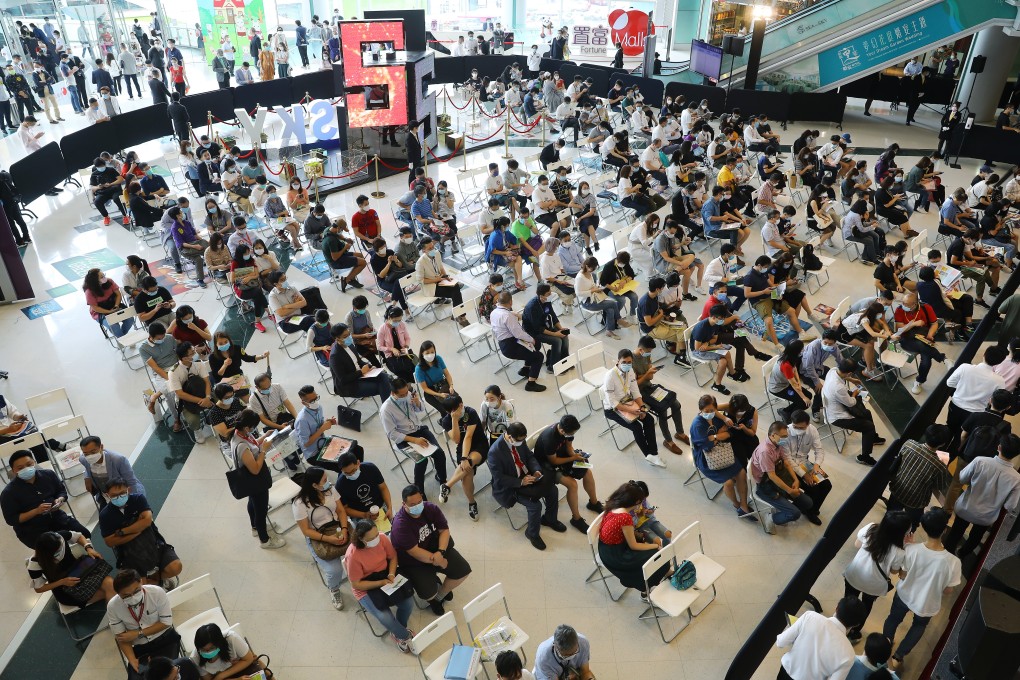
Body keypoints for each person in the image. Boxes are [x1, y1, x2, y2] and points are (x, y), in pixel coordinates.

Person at [881, 508, 960, 667]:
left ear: (924, 527)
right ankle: (898, 657)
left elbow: (902, 575)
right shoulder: (953, 562)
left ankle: (885, 645)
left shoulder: (911, 549)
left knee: (893, 618)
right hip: (927, 603)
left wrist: (909, 547)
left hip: (904, 595)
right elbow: (948, 590)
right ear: (945, 530)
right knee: (918, 626)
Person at [390, 484, 472, 615]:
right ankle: (433, 598)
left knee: (463, 571)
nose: (417, 506)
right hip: (414, 562)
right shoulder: (400, 525)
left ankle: (440, 596)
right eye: (412, 505)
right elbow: (414, 552)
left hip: (436, 549)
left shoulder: (430, 508)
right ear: (404, 504)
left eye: (419, 502)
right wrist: (439, 561)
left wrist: (441, 552)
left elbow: (444, 530)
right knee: (427, 593)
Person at [488, 422, 563, 551]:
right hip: (512, 486)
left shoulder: (518, 440)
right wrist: (521, 482)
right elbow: (499, 478)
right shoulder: (495, 452)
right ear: (510, 437)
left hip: (527, 475)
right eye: (519, 440)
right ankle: (532, 534)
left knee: (553, 490)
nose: (522, 442)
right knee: (535, 506)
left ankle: (550, 519)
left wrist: (536, 469)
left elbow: (529, 456)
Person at [943, 434, 1020, 556]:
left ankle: (947, 553)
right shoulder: (1017, 478)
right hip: (986, 517)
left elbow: (962, 478)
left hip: (966, 508)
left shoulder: (980, 461)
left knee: (955, 532)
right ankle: (962, 554)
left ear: (999, 447)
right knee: (975, 538)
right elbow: (1010, 506)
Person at [345, 519, 414, 651]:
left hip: (385, 575)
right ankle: (403, 635)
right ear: (361, 539)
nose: (376, 539)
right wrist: (381, 583)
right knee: (385, 617)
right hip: (365, 586)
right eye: (371, 538)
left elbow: (393, 557)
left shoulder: (382, 538)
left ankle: (399, 628)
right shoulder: (353, 555)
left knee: (408, 603)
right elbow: (356, 584)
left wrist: (391, 574)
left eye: (377, 534)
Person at [99, 481, 182, 589]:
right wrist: (137, 530)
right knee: (140, 587)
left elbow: (147, 521)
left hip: (154, 545)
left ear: (128, 490)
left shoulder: (138, 499)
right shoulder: (105, 515)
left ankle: (155, 579)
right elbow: (110, 542)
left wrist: (122, 532)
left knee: (176, 567)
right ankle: (151, 583)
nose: (119, 497)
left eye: (122, 493)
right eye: (114, 495)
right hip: (129, 556)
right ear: (107, 495)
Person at [597, 480, 670, 599]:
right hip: (616, 556)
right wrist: (656, 546)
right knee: (656, 555)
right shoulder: (625, 517)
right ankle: (646, 590)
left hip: (605, 547)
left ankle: (662, 575)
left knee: (652, 552)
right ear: (637, 502)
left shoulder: (614, 504)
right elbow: (634, 546)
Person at [690, 394, 757, 521]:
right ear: (700, 410)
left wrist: (715, 437)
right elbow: (706, 446)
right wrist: (719, 436)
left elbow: (729, 433)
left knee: (742, 473)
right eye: (706, 411)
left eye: (712, 410)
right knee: (729, 482)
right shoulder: (697, 425)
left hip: (723, 452)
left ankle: (743, 506)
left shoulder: (717, 418)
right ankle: (736, 504)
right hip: (705, 459)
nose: (709, 413)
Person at [292, 466, 350, 610]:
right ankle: (334, 589)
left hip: (337, 526)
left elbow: (341, 511)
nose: (328, 482)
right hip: (318, 535)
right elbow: (306, 531)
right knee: (334, 570)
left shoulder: (330, 490)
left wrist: (344, 529)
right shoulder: (299, 504)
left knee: (363, 549)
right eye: (324, 480)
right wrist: (328, 539)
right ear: (314, 485)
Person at [532, 416, 603, 533]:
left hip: (562, 456)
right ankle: (576, 519)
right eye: (571, 434)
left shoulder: (567, 430)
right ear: (562, 431)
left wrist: (576, 456)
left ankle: (593, 503)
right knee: (572, 484)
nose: (572, 435)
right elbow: (554, 461)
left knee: (587, 472)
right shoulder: (550, 439)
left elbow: (569, 446)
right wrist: (572, 458)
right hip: (546, 466)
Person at [380, 378, 448, 499]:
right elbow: (392, 434)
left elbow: (420, 409)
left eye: (406, 392)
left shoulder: (409, 394)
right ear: (393, 393)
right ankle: (419, 491)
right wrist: (415, 440)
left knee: (439, 453)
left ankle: (442, 479)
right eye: (402, 395)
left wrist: (417, 402)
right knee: (422, 461)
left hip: (419, 429)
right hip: (404, 438)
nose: (405, 396)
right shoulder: (386, 409)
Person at [228, 409, 285, 550]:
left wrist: (264, 437)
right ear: (247, 427)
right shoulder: (242, 446)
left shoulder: (239, 433)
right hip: (256, 482)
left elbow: (253, 445)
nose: (254, 429)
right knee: (261, 511)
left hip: (250, 483)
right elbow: (255, 469)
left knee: (253, 503)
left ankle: (255, 527)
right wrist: (264, 450)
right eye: (254, 427)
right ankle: (265, 540)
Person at [107, 570, 180, 680]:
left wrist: (138, 633)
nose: (133, 597)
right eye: (126, 596)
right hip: (140, 648)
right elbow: (122, 638)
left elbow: (166, 623)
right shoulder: (113, 606)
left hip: (165, 640)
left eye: (136, 591)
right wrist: (132, 659)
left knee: (166, 675)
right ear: (118, 594)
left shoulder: (156, 593)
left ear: (141, 582)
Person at [775, 597, 866, 680]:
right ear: (856, 624)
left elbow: (780, 642)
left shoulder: (810, 616)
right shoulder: (849, 654)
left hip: (785, 673)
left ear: (837, 608)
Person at [750, 421, 821, 527]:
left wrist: (795, 480)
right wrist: (790, 491)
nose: (785, 439)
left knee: (808, 503)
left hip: (779, 476)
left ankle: (785, 509)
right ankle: (771, 518)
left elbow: (787, 463)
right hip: (765, 485)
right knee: (795, 513)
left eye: (786, 436)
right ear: (773, 435)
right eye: (783, 436)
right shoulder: (765, 452)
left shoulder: (779, 444)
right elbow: (772, 476)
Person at [602, 349, 664, 467]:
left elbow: (635, 392)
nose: (627, 365)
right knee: (637, 427)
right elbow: (613, 403)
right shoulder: (610, 376)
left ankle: (654, 454)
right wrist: (632, 411)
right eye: (624, 362)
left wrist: (642, 408)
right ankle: (648, 455)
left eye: (629, 362)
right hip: (613, 409)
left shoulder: (630, 371)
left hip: (628, 402)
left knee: (649, 419)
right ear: (618, 361)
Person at [887, 424, 952, 530]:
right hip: (916, 500)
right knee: (912, 524)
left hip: (897, 489)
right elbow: (939, 486)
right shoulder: (940, 466)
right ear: (943, 444)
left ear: (926, 434)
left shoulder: (909, 444)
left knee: (890, 515)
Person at [632, 336, 690, 453]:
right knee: (662, 410)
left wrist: (645, 374)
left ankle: (680, 433)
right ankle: (668, 441)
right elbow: (634, 385)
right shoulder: (631, 361)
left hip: (650, 387)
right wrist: (646, 374)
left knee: (675, 404)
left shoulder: (646, 355)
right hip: (639, 393)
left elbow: (650, 377)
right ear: (641, 349)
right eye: (648, 351)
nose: (649, 354)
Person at [823, 359, 884, 466]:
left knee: (867, 413)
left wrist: (851, 380)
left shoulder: (833, 370)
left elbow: (843, 377)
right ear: (849, 372)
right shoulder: (838, 387)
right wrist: (855, 393)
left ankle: (873, 438)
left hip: (835, 406)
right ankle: (864, 457)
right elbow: (851, 403)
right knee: (868, 426)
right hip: (837, 417)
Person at [945, 345, 1008, 451]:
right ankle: (952, 454)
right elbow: (995, 398)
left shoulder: (965, 367)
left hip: (956, 406)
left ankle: (941, 449)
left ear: (984, 354)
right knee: (963, 435)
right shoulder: (1000, 381)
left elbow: (949, 383)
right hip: (975, 413)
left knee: (950, 428)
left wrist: (962, 387)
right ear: (999, 362)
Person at [490, 292, 547, 392]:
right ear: (510, 302)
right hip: (511, 346)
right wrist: (531, 340)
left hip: (503, 343)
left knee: (536, 345)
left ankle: (526, 369)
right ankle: (531, 384)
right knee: (539, 356)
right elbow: (519, 334)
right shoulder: (507, 316)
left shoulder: (494, 312)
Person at [78, 436, 144, 507]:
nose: (90, 456)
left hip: (124, 496)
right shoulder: (83, 459)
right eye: (86, 454)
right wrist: (87, 477)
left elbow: (131, 482)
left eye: (93, 452)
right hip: (105, 497)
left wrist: (133, 501)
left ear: (101, 447)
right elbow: (87, 467)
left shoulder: (118, 460)